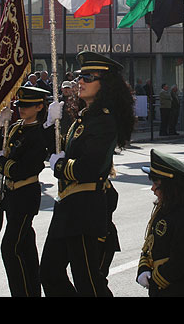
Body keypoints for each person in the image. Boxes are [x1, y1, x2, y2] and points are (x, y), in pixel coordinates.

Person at [40, 51, 135, 297]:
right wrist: (50, 125)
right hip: (68, 206)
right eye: (81, 76)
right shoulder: (83, 119)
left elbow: (86, 168)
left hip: (85, 206)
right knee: (49, 272)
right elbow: (58, 152)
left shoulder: (103, 121)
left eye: (89, 77)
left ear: (105, 85)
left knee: (88, 282)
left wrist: (59, 167)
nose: (80, 81)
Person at [0, 85, 57, 297]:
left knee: (10, 249)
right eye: (20, 105)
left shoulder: (39, 134)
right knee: (25, 247)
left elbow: (21, 170)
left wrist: (1, 162)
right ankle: (32, 291)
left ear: (39, 107)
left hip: (25, 195)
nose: (21, 109)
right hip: (10, 196)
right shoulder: (15, 127)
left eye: (27, 106)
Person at [137, 148, 184, 296]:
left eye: (156, 183)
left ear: (170, 187)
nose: (153, 188)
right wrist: (144, 268)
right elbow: (150, 243)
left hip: (176, 289)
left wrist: (155, 281)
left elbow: (179, 262)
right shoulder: (163, 209)